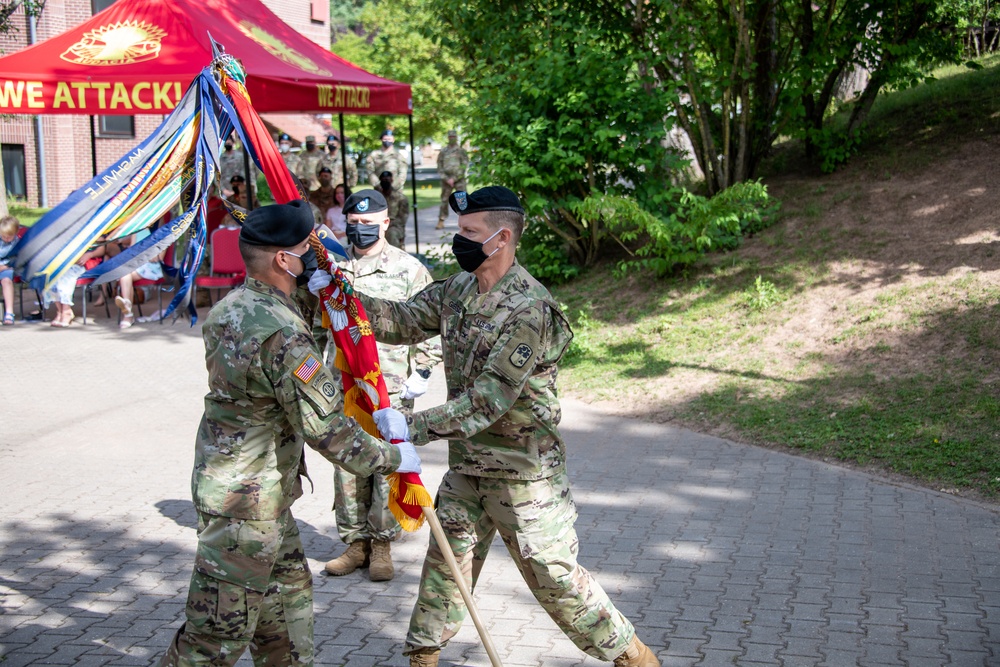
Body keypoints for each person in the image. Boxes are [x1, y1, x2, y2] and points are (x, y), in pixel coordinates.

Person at [315, 187, 661, 667]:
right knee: (444, 571)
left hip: (523, 475)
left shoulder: (528, 308)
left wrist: (410, 427)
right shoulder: (457, 288)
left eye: (469, 233)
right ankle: (423, 657)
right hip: (468, 467)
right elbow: (398, 319)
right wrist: (338, 294)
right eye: (459, 231)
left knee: (555, 580)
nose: (459, 241)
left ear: (501, 238)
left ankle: (634, 657)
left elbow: (488, 401)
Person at [157, 199, 422, 667]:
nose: (318, 257)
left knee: (288, 619)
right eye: (308, 248)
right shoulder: (282, 333)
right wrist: (394, 458)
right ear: (284, 259)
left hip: (264, 499)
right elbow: (328, 431)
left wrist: (316, 294)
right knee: (214, 639)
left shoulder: (233, 308)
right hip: (245, 506)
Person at [320, 189, 441, 583]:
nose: (361, 231)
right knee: (347, 464)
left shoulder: (409, 269)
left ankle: (382, 542)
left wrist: (422, 371)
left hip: (390, 388)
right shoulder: (334, 269)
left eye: (369, 225)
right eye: (354, 225)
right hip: (345, 385)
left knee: (387, 462)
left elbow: (430, 325)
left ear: (386, 223)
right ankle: (355, 542)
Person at [113, 229, 167, 330]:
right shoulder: (137, 231)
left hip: (150, 268)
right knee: (124, 274)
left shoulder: (164, 234)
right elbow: (131, 253)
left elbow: (156, 259)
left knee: (125, 274)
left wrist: (143, 250)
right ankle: (127, 308)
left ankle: (128, 314)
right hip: (137, 265)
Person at [435, 130, 469, 230]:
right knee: (444, 200)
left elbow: (464, 166)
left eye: (453, 136)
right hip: (446, 181)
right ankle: (441, 220)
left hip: (459, 180)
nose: (451, 138)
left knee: (462, 201)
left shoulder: (461, 151)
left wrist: (454, 178)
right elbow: (439, 166)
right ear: (448, 138)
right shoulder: (443, 151)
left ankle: (466, 222)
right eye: (450, 137)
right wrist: (446, 178)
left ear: (456, 137)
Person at [374, 170, 410, 250]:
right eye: (383, 180)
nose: (385, 181)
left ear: (391, 180)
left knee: (392, 234)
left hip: (394, 226)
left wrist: (387, 225)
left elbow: (402, 219)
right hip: (377, 225)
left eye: (387, 179)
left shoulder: (400, 198)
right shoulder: (376, 197)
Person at [218, 133, 256, 198]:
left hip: (241, 190)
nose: (228, 144)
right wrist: (223, 189)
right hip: (226, 191)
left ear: (233, 143)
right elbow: (218, 175)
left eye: (229, 143)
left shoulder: (241, 157)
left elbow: (247, 172)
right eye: (226, 143)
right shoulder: (220, 159)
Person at [0, 215, 20, 325]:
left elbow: (17, 260)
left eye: (9, 236)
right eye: (4, 236)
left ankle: (9, 312)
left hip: (8, 268)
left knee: (6, 281)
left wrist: (4, 267)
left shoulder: (17, 243)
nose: (6, 238)